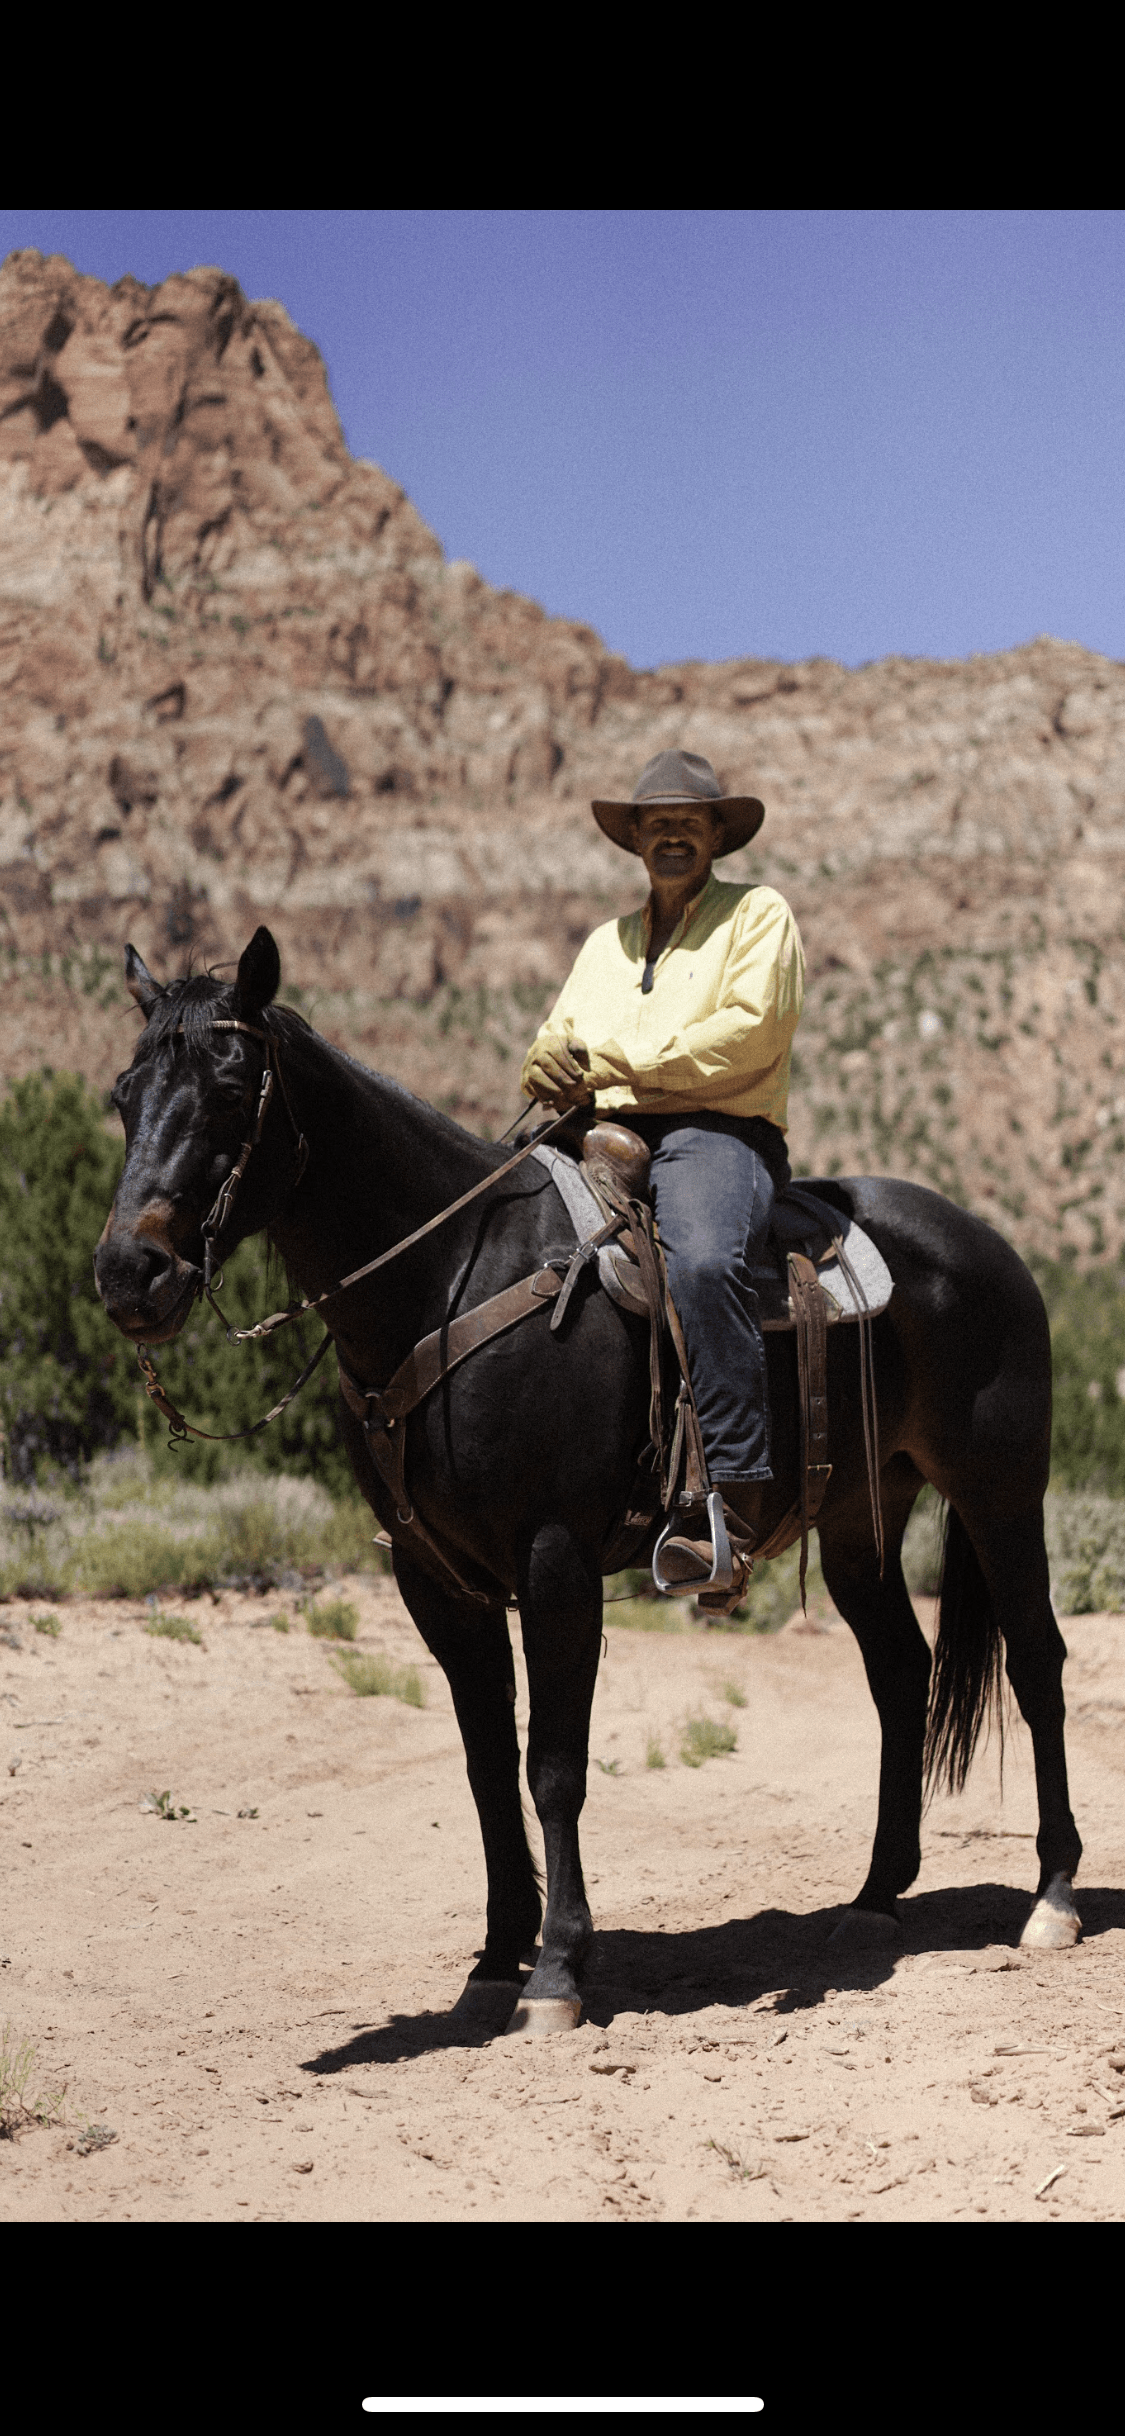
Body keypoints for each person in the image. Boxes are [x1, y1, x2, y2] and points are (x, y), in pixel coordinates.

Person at [520, 748, 804, 1586]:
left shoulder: (759, 915)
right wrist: (544, 1064)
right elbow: (556, 1033)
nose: (671, 835)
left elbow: (746, 1036)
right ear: (635, 839)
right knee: (489, 1235)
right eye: (656, 824)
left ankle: (728, 1503)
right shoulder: (604, 943)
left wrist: (608, 1063)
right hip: (596, 1128)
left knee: (708, 1263)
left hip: (715, 1135)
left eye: (689, 821)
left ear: (717, 834)